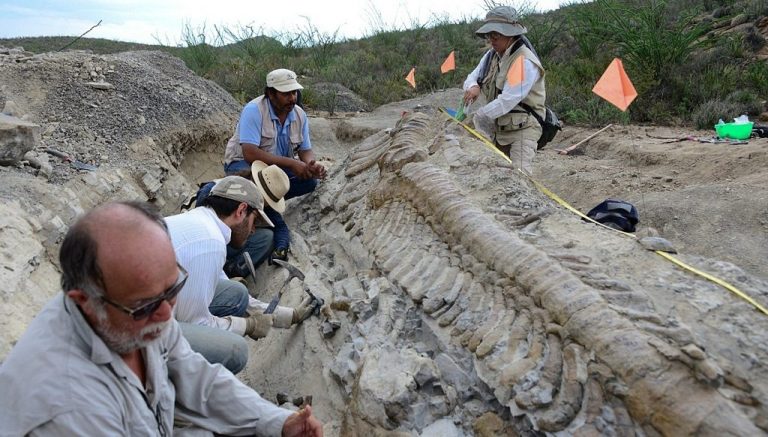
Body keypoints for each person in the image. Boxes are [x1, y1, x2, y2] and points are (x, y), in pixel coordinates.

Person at [0, 201, 323, 436]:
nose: (168, 314)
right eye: (145, 306)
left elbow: (197, 377)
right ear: (84, 302)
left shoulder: (133, 313)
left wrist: (276, 422)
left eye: (172, 289)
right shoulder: (68, 412)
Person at [166, 176, 319, 374]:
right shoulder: (210, 243)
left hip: (140, 306)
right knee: (235, 351)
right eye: (254, 221)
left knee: (236, 292)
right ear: (241, 211)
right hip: (130, 334)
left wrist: (287, 316)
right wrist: (247, 325)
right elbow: (196, 323)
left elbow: (231, 290)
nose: (254, 229)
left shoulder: (201, 221)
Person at [223, 68, 327, 262]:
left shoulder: (299, 115)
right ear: (270, 93)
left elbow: (305, 149)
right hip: (242, 165)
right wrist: (291, 163)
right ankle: (277, 228)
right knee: (255, 186)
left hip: (274, 169)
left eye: (294, 92)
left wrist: (311, 164)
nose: (292, 98)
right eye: (286, 94)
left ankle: (263, 203)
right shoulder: (254, 110)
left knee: (310, 183)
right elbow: (250, 153)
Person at [463, 6, 547, 174]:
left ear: (510, 34)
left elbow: (508, 100)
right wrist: (473, 86)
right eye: (489, 35)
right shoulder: (491, 55)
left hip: (523, 130)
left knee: (521, 177)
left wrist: (479, 116)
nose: (491, 40)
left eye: (496, 35)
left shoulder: (524, 61)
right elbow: (472, 76)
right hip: (498, 130)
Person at [197, 161, 292, 276]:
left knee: (267, 237)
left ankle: (232, 271)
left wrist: (281, 248)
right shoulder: (219, 189)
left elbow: (280, 227)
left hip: (228, 243)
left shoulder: (264, 205)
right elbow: (200, 222)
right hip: (205, 241)